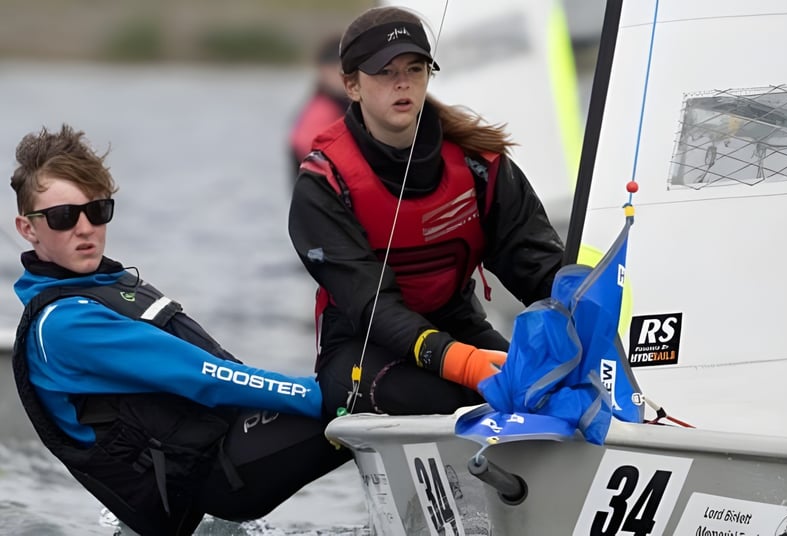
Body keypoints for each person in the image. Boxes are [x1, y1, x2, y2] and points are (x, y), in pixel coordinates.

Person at [10, 124, 351, 536]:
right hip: (213, 478)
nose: (85, 228)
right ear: (28, 229)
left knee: (365, 381)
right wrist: (321, 396)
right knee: (367, 396)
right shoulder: (67, 324)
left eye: (97, 210)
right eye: (64, 217)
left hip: (214, 453)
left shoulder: (102, 287)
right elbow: (205, 376)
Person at [288, 6, 565, 419]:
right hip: (361, 348)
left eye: (415, 68)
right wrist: (460, 362)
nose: (403, 82)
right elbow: (370, 306)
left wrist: (580, 327)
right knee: (457, 401)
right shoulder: (324, 184)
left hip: (457, 328)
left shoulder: (479, 164)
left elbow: (538, 266)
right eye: (385, 72)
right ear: (352, 85)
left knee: (550, 396)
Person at [288, 34, 350, 180]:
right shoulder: (320, 109)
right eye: (341, 69)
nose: (348, 76)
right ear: (324, 70)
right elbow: (306, 147)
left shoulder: (344, 105)